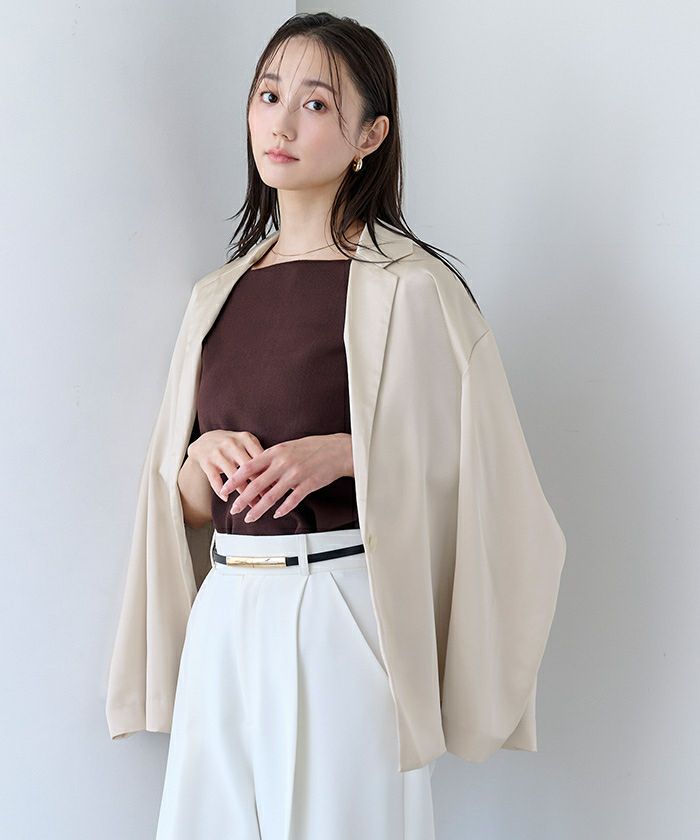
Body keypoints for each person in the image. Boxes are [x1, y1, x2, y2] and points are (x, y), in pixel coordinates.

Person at [106, 11, 566, 840]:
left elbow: (493, 486)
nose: (280, 124)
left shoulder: (412, 290)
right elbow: (185, 509)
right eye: (268, 95)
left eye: (315, 104)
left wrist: (354, 455)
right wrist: (199, 457)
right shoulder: (215, 296)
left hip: (344, 612)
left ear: (369, 136)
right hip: (225, 614)